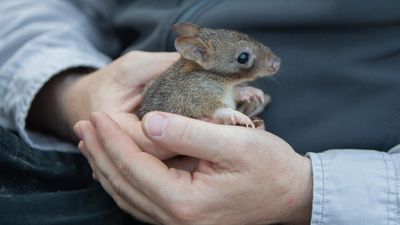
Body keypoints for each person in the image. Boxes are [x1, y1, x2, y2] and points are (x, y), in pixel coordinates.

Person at [1, 0, 399, 225]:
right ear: (200, 58)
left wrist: (306, 193)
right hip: (87, 159)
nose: (271, 64)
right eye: (246, 59)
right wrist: (70, 89)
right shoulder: (201, 81)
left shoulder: (215, 78)